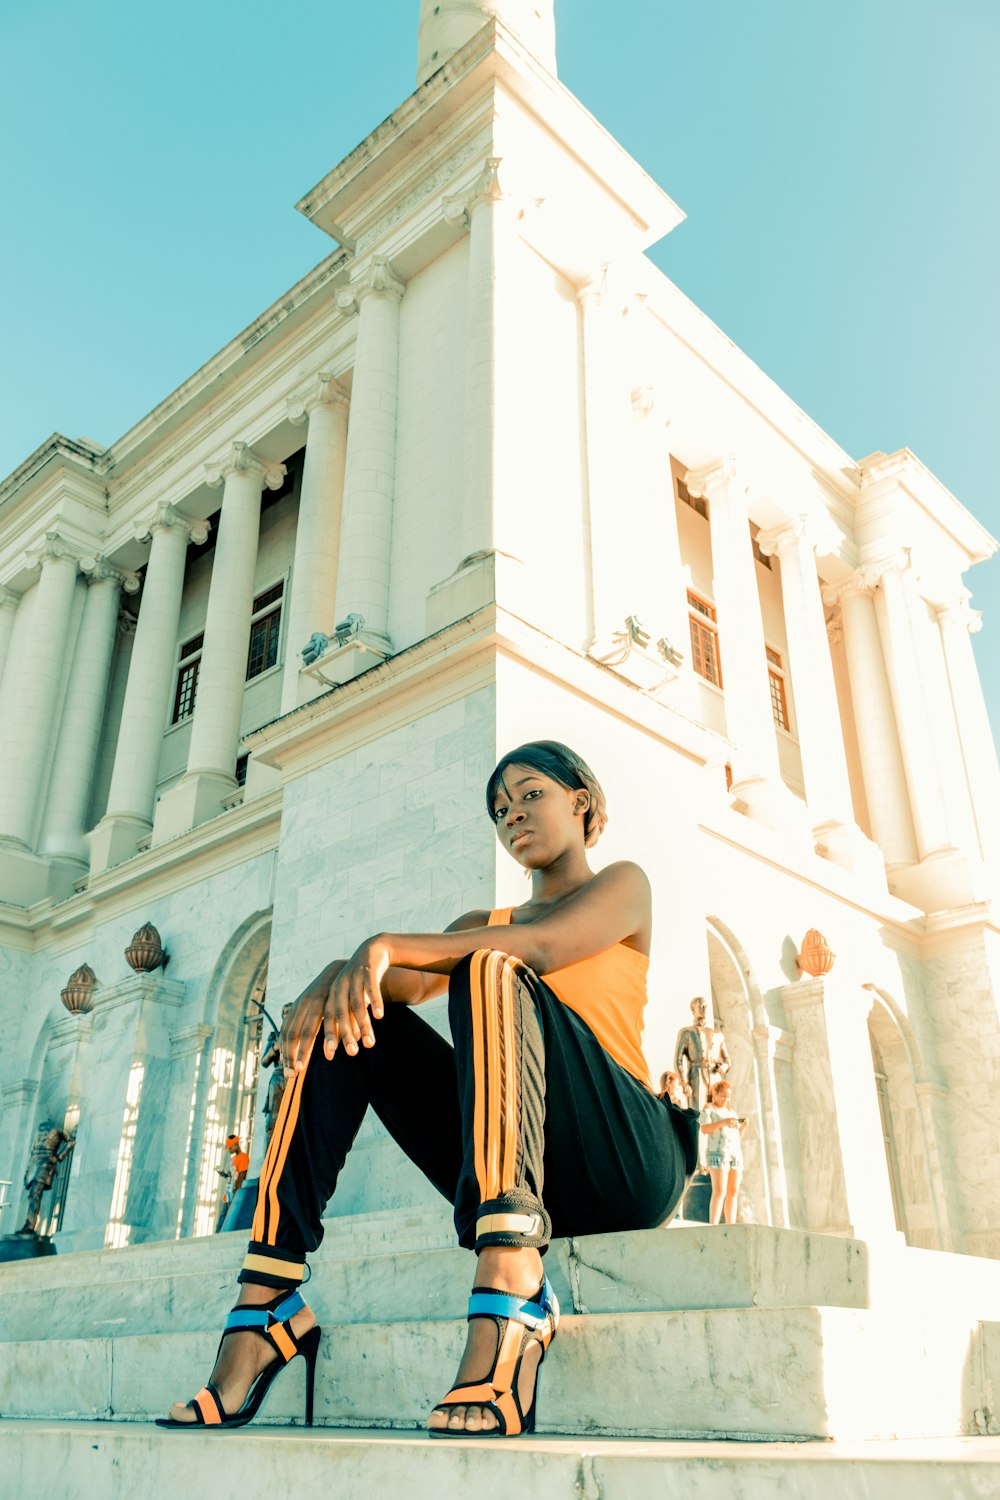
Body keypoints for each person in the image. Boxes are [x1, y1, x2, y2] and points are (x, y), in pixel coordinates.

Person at [159, 740, 695, 1439]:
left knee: (493, 967)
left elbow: (544, 948)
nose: (514, 816)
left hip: (622, 1159)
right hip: (525, 1166)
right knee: (351, 1018)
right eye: (501, 809)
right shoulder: (480, 926)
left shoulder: (624, 884)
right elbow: (402, 985)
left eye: (532, 794)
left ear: (581, 801)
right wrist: (334, 974)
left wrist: (383, 941)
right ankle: (266, 1300)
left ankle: (512, 1290)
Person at [700, 1080, 748, 1225]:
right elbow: (705, 1129)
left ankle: (730, 1223)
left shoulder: (731, 1112)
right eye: (723, 1096)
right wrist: (724, 1122)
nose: (725, 1099)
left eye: (728, 1097)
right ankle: (713, 1224)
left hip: (734, 1154)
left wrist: (743, 1127)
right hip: (718, 1153)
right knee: (719, 1190)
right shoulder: (709, 1109)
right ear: (715, 1094)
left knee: (733, 1191)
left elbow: (735, 1136)